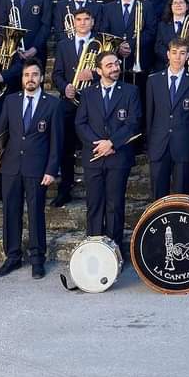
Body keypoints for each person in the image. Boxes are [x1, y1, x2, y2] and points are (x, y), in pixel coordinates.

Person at [0, 59, 62, 280]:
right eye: (26, 75)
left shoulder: (53, 104)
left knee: (35, 214)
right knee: (10, 213)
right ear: (21, 79)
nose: (30, 78)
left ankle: (37, 259)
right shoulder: (11, 101)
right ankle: (12, 257)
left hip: (37, 169)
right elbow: (0, 136)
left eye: (34, 74)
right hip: (11, 168)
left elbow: (56, 142)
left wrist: (51, 170)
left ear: (42, 78)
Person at [76, 51, 142, 250]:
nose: (115, 68)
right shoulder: (88, 93)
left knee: (115, 206)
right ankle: (95, 249)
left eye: (116, 64)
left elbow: (133, 123)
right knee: (94, 206)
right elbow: (80, 123)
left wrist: (112, 143)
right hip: (94, 157)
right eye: (109, 65)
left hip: (118, 157)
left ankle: (114, 251)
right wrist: (98, 144)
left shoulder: (130, 91)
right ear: (98, 70)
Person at [50, 7, 98, 206]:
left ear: (92, 22)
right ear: (73, 23)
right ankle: (65, 187)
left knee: (92, 145)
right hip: (70, 100)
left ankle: (94, 189)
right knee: (65, 146)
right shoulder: (64, 45)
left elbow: (112, 71)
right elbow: (56, 74)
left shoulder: (100, 44)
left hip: (93, 103)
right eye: (79, 19)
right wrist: (65, 87)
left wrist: (94, 74)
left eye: (87, 19)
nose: (83, 23)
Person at [145, 37, 189, 198]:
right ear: (167, 54)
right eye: (174, 52)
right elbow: (150, 116)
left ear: (187, 56)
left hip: (184, 146)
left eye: (182, 53)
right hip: (159, 146)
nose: (178, 57)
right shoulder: (153, 81)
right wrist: (150, 145)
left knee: (183, 196)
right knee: (158, 196)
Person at [0, 0, 53, 91]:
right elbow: (2, 22)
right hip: (12, 52)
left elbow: (46, 24)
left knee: (36, 89)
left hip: (35, 50)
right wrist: (13, 47)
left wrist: (34, 48)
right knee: (13, 90)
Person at [99, 0, 155, 82]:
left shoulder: (147, 6)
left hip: (139, 57)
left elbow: (151, 31)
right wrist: (118, 47)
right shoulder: (108, 8)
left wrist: (131, 44)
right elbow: (104, 31)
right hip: (115, 57)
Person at [154, 0, 189, 70]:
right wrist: (171, 59)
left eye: (181, 2)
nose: (178, 5)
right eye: (175, 3)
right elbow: (158, 47)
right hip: (165, 65)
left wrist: (181, 59)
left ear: (187, 6)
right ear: (171, 7)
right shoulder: (162, 25)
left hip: (186, 66)